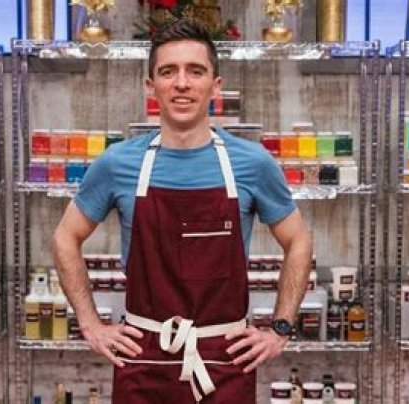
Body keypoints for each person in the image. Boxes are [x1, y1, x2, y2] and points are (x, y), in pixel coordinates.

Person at [52, 18, 313, 403]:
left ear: (215, 85)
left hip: (224, 361)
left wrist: (281, 328)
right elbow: (65, 237)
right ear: (150, 86)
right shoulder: (117, 163)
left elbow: (299, 240)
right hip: (142, 359)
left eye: (195, 71)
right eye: (168, 71)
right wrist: (90, 324)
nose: (182, 83)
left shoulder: (252, 163)